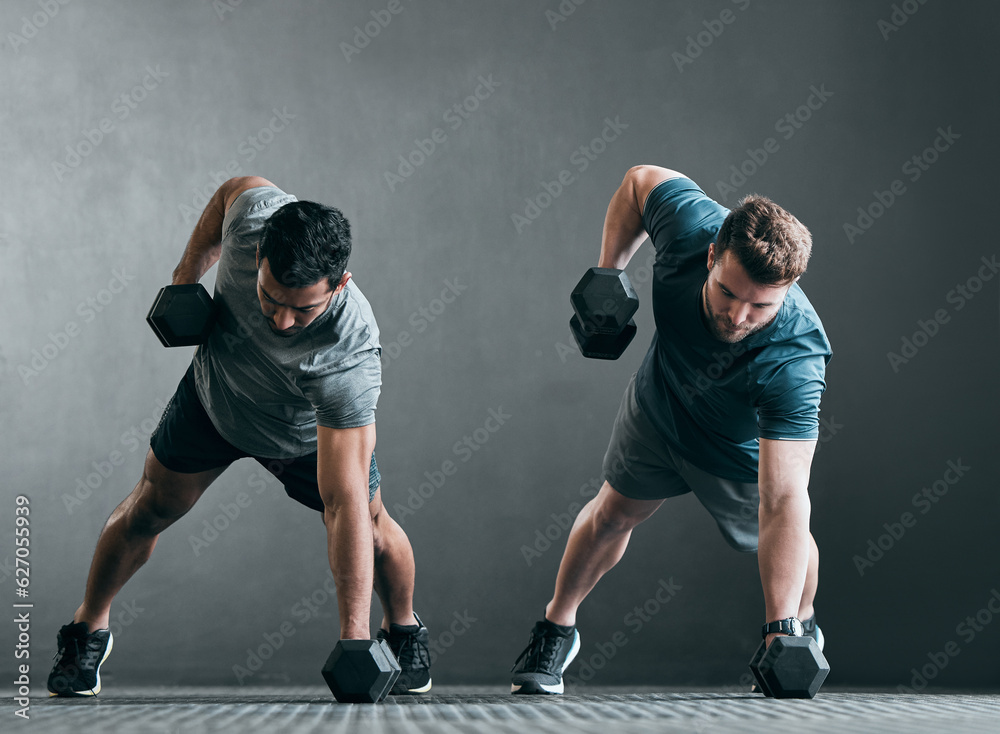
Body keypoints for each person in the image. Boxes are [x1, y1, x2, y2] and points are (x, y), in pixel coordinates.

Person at [47, 176, 431, 697]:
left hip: (303, 436)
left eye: (303, 309)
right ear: (257, 258)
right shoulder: (253, 217)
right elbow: (236, 188)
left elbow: (341, 503)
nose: (281, 319)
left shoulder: (350, 357)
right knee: (147, 510)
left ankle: (402, 631)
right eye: (270, 299)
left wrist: (353, 642)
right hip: (216, 399)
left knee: (371, 523)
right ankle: (88, 628)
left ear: (338, 286)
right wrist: (186, 278)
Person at [511, 166, 832, 694]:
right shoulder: (691, 228)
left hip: (736, 451)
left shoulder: (795, 359)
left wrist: (778, 627)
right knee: (611, 513)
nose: (738, 316)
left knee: (790, 531)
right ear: (710, 256)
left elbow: (784, 498)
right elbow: (639, 181)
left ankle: (799, 626)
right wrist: (608, 275)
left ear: (790, 288)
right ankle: (556, 628)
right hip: (662, 405)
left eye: (762, 305)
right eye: (728, 293)